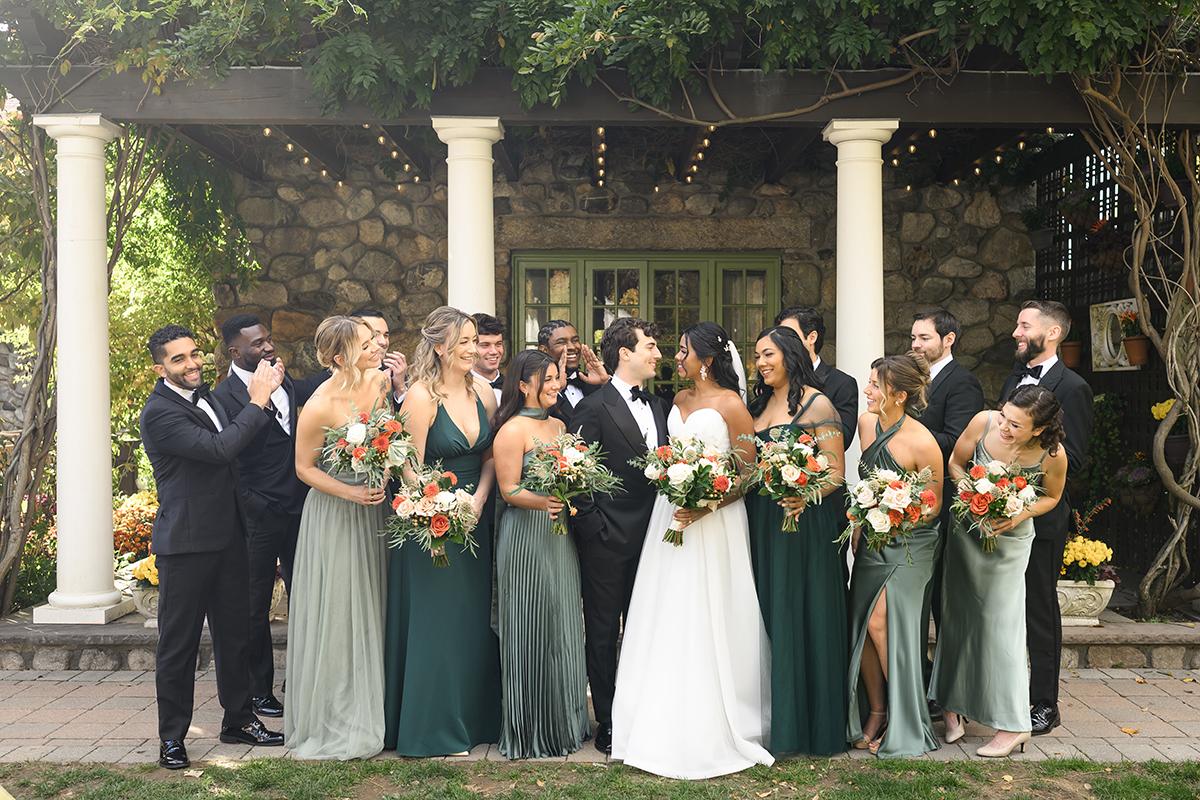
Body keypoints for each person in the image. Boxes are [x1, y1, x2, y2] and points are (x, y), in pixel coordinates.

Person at [611, 321, 773, 779]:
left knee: (712, 607)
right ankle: (660, 711)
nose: (675, 358)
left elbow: (748, 473)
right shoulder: (678, 401)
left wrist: (708, 504)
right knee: (668, 607)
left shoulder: (732, 405)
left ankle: (723, 716)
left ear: (705, 357)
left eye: (682, 351)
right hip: (671, 513)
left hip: (715, 520)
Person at [139, 325, 286, 770]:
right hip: (185, 544)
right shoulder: (160, 413)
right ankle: (172, 738)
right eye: (178, 359)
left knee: (235, 634)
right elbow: (221, 449)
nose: (191, 363)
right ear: (159, 368)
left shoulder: (208, 397)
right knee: (179, 645)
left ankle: (238, 719)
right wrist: (258, 400)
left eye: (194, 354)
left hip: (230, 537)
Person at [383, 307, 501, 756]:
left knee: (470, 621)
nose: (475, 349)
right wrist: (440, 503)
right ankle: (431, 728)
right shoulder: (420, 396)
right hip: (431, 523)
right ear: (439, 346)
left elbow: (488, 457)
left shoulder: (484, 393)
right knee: (437, 622)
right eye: (466, 341)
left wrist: (479, 499)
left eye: (476, 340)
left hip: (475, 515)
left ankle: (473, 721)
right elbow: (405, 464)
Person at [930, 386, 1068, 758]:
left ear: (1039, 429)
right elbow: (955, 464)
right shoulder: (982, 422)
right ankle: (951, 706)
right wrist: (974, 493)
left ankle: (1013, 724)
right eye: (1005, 416)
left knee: (1000, 626)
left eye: (1016, 425)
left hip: (1009, 542)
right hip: (966, 533)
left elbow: (1051, 497)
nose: (1004, 427)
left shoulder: (1052, 454)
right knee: (957, 617)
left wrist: (1018, 512)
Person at [283, 316, 392, 760]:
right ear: (338, 356)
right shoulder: (319, 405)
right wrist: (351, 491)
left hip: (375, 509)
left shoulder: (380, 383)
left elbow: (389, 436)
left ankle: (376, 706)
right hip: (336, 512)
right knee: (342, 610)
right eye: (366, 344)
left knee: (374, 603)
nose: (375, 348)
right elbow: (304, 469)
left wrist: (384, 473)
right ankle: (339, 717)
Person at [746, 325, 848, 756]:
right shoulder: (759, 403)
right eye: (757, 356)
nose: (761, 363)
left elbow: (835, 470)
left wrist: (802, 493)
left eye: (768, 354)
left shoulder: (817, 402)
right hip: (762, 521)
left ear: (790, 353)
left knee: (803, 612)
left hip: (802, 522)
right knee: (770, 610)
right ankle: (772, 718)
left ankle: (810, 726)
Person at [570, 317, 668, 755]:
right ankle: (608, 720)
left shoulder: (660, 406)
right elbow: (574, 475)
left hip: (658, 540)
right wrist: (596, 529)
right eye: (649, 345)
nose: (657, 353)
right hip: (608, 541)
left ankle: (644, 711)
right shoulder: (591, 408)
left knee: (649, 628)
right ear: (624, 353)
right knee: (604, 631)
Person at [999, 300, 1093, 736]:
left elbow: (1074, 458)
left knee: (1039, 610)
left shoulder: (1072, 388)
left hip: (1042, 519)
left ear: (1052, 333)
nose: (1016, 332)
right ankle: (1005, 694)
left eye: (1024, 325)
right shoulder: (1014, 379)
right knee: (1003, 610)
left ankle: (1043, 704)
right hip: (1000, 515)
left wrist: (1019, 482)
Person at [492, 350, 589, 759]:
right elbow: (508, 489)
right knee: (531, 621)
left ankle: (567, 722)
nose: (556, 384)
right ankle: (532, 726)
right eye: (548, 378)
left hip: (559, 535)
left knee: (563, 620)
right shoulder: (512, 432)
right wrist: (543, 501)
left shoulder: (561, 425)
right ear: (524, 385)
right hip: (526, 537)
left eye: (558, 377)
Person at [846, 354, 942, 758]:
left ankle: (906, 717)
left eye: (873, 385)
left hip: (911, 542)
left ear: (899, 395)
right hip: (872, 537)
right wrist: (861, 518)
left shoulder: (922, 442)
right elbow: (865, 480)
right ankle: (877, 709)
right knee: (867, 621)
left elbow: (934, 503)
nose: (866, 391)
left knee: (883, 620)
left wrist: (897, 513)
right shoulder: (867, 423)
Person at [212, 314, 307, 719]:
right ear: (235, 352)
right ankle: (258, 691)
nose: (267, 348)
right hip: (257, 517)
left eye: (268, 340)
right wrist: (252, 503)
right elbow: (230, 456)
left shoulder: (282, 378)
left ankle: (303, 680)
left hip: (300, 509)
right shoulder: (225, 396)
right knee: (254, 608)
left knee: (306, 596)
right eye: (257, 344)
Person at [909, 308, 985, 714]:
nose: (916, 345)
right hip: (914, 504)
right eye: (914, 338)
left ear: (948, 339)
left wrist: (906, 436)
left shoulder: (962, 383)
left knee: (944, 602)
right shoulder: (918, 380)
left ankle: (950, 694)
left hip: (946, 508)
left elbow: (958, 443)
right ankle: (922, 684)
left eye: (924, 338)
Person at [775, 306, 858, 445]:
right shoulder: (774, 381)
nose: (783, 343)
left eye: (790, 336)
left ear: (812, 337)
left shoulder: (842, 383)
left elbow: (843, 440)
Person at [291, 308, 407, 406]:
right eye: (374, 335)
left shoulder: (394, 374)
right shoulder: (327, 381)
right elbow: (297, 393)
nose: (383, 342)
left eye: (386, 335)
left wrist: (400, 388)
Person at [537, 320, 607, 425]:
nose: (572, 347)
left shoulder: (593, 383)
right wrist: (557, 389)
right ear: (544, 350)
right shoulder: (536, 389)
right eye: (561, 342)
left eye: (575, 340)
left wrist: (605, 382)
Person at [471, 313, 507, 404]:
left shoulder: (515, 386)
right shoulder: (460, 388)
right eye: (485, 345)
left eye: (498, 344)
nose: (494, 351)